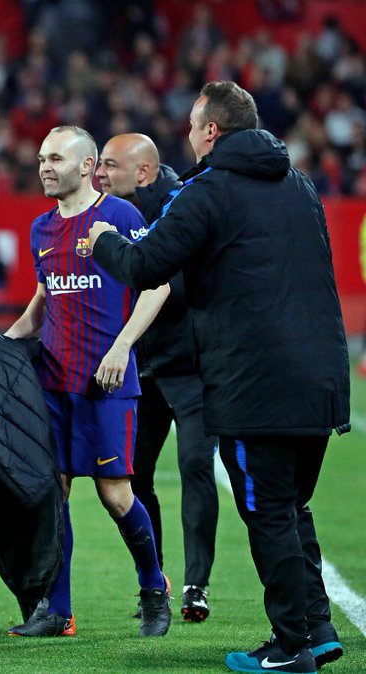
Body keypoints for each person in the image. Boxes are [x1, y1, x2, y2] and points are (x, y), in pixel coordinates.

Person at [88, 81, 350, 674]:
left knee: (269, 514)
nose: (188, 134)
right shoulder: (300, 184)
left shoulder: (207, 191)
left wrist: (102, 239)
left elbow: (146, 264)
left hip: (255, 385)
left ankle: (290, 647)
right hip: (322, 380)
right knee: (292, 507)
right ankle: (317, 628)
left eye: (191, 125)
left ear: (211, 131)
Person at [3, 126, 172, 639]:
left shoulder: (120, 217)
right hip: (53, 384)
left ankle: (154, 588)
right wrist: (2, 343)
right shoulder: (41, 229)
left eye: (56, 158)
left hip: (107, 384)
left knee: (116, 496)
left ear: (86, 166)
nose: (45, 167)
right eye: (41, 158)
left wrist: (123, 346)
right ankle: (58, 611)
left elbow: (157, 286)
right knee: (54, 496)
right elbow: (44, 300)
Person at [95, 132, 220, 623]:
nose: (100, 173)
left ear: (143, 172)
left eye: (110, 165)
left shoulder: (182, 205)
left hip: (190, 367)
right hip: (142, 367)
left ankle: (196, 585)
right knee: (133, 477)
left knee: (195, 466)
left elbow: (171, 283)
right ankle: (156, 581)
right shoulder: (112, 211)